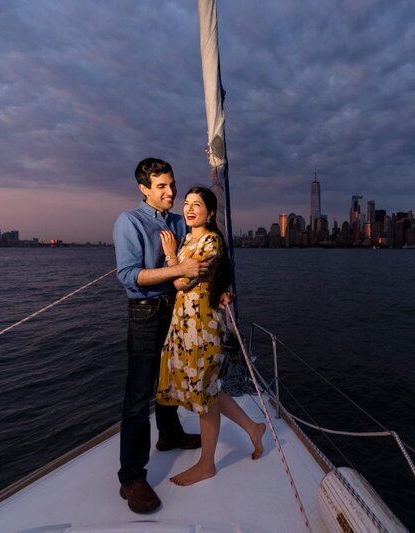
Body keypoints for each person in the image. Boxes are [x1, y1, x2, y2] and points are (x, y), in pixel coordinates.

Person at [113, 158, 209, 514]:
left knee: (168, 380)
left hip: (176, 307)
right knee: (139, 395)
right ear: (144, 188)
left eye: (172, 184)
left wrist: (214, 285)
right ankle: (132, 478)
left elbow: (193, 262)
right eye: (162, 186)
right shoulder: (129, 222)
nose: (171, 192)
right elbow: (128, 276)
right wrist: (177, 268)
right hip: (146, 312)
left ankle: (169, 434)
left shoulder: (176, 221)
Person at [156, 186, 265, 486]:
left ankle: (207, 464)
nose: (189, 209)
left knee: (204, 396)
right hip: (186, 326)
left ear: (211, 212)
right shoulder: (190, 238)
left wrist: (169, 256)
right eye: (187, 204)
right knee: (210, 390)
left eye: (197, 205)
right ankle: (253, 428)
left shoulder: (211, 242)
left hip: (201, 330)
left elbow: (179, 281)